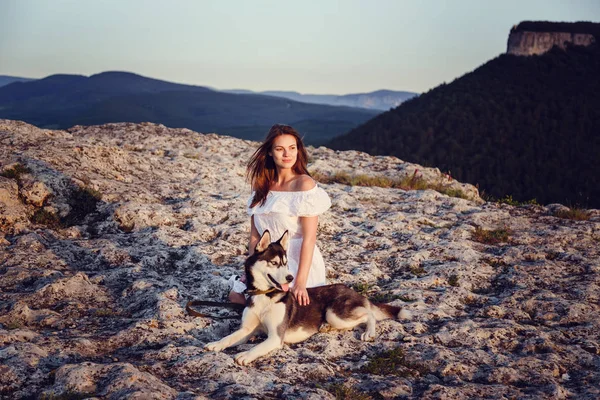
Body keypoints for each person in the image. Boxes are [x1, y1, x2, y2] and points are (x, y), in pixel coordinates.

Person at [228, 124, 331, 306]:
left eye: (292, 148)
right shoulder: (262, 186)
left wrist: (300, 283)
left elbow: (309, 239)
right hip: (267, 262)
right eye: (280, 149)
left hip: (297, 263)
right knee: (236, 297)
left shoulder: (304, 185)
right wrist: (252, 270)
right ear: (269, 152)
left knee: (284, 306)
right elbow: (254, 238)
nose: (287, 154)